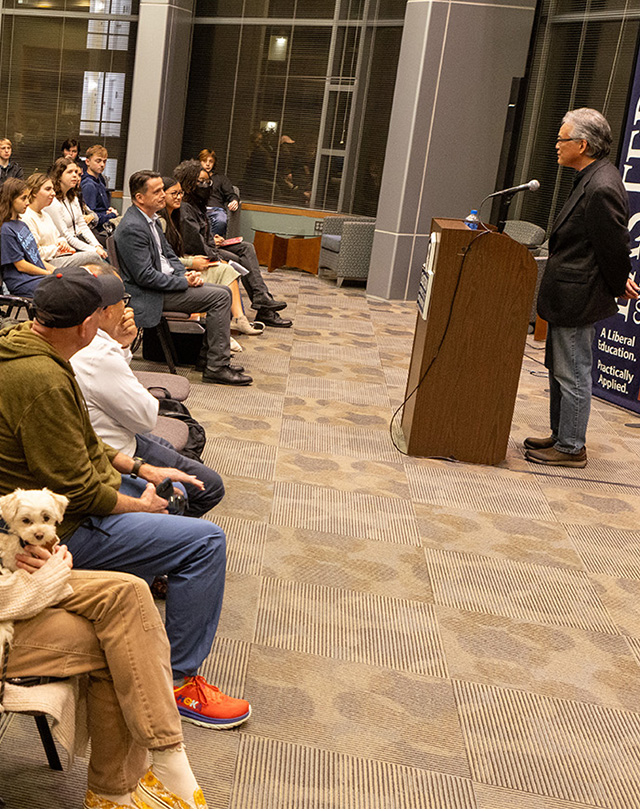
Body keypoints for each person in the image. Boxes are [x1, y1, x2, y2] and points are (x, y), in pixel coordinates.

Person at [0, 268, 251, 733]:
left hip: (58, 504)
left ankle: (138, 602)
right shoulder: (42, 378)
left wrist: (141, 468)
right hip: (58, 528)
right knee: (205, 542)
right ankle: (175, 683)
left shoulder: (26, 346)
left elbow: (83, 438)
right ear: (86, 325)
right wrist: (141, 505)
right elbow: (80, 492)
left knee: (177, 492)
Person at [3, 548, 210, 809]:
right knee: (123, 639)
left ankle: (147, 774)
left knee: (129, 594)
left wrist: (43, 552)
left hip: (11, 578)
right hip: (9, 601)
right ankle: (122, 790)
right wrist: (50, 575)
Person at [524, 108, 639, 468]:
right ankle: (561, 434)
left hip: (579, 295)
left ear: (583, 144)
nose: (557, 145)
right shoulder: (590, 177)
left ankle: (572, 447)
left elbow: (614, 245)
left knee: (572, 373)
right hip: (567, 293)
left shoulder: (602, 185)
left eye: (562, 139)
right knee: (560, 369)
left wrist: (618, 281)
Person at [71, 263, 226, 517]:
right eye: (123, 300)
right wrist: (117, 350)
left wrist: (121, 346)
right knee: (209, 487)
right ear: (106, 311)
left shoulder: (88, 344)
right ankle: (168, 528)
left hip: (116, 435)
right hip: (117, 445)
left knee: (173, 449)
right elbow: (145, 419)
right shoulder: (98, 353)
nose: (127, 308)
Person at [113, 169, 252, 385]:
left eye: (162, 190)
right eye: (157, 191)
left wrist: (186, 274)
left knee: (224, 291)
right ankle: (217, 367)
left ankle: (208, 359)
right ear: (139, 198)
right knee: (220, 297)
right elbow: (145, 277)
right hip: (150, 294)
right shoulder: (133, 227)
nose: (163, 195)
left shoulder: (151, 220)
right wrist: (182, 282)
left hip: (164, 285)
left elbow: (170, 256)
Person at [173, 160, 292, 328]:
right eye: (201, 182)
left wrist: (213, 238)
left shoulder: (198, 205)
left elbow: (201, 234)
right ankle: (262, 308)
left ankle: (261, 297)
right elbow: (194, 244)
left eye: (208, 182)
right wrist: (214, 252)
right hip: (199, 253)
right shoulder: (185, 208)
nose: (206, 186)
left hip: (209, 246)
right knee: (238, 259)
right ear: (189, 183)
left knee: (246, 248)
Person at [159, 175, 262, 336]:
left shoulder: (177, 215)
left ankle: (239, 319)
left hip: (184, 263)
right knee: (224, 271)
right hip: (174, 274)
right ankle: (218, 333)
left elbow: (177, 252)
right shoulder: (161, 221)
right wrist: (191, 263)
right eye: (174, 194)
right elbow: (163, 259)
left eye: (180, 193)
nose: (179, 197)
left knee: (229, 267)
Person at [21, 172, 104, 268]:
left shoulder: (45, 215)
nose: (53, 193)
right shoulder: (26, 217)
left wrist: (62, 242)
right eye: (48, 189)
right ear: (34, 192)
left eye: (53, 189)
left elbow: (58, 237)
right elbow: (34, 252)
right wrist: (57, 249)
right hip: (45, 263)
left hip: (58, 256)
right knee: (93, 256)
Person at [0, 177, 54, 295]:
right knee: (64, 290)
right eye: (23, 198)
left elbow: (35, 258)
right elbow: (20, 265)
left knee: (70, 279)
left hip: (36, 277)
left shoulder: (22, 224)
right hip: (22, 282)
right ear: (10, 199)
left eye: (28, 198)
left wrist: (54, 270)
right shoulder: (5, 230)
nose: (28, 202)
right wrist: (48, 274)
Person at [47, 158, 109, 260]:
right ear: (59, 176)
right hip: (67, 247)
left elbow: (82, 225)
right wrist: (93, 250)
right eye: (70, 172)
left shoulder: (73, 198)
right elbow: (65, 235)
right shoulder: (53, 202)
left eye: (76, 172)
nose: (75, 175)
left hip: (80, 241)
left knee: (107, 255)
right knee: (100, 259)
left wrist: (96, 245)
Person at [198, 148, 239, 237]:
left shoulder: (221, 179)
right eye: (204, 161)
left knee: (221, 221)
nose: (207, 164)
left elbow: (231, 194)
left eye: (211, 161)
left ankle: (213, 242)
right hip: (198, 209)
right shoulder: (194, 178)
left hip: (216, 210)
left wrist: (234, 201)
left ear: (214, 163)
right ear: (200, 162)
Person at [80, 145, 119, 234]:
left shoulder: (100, 181)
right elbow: (91, 218)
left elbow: (100, 209)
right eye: (98, 161)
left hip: (104, 226)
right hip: (96, 231)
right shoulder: (89, 185)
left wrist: (108, 211)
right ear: (87, 162)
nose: (102, 165)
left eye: (104, 161)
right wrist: (112, 215)